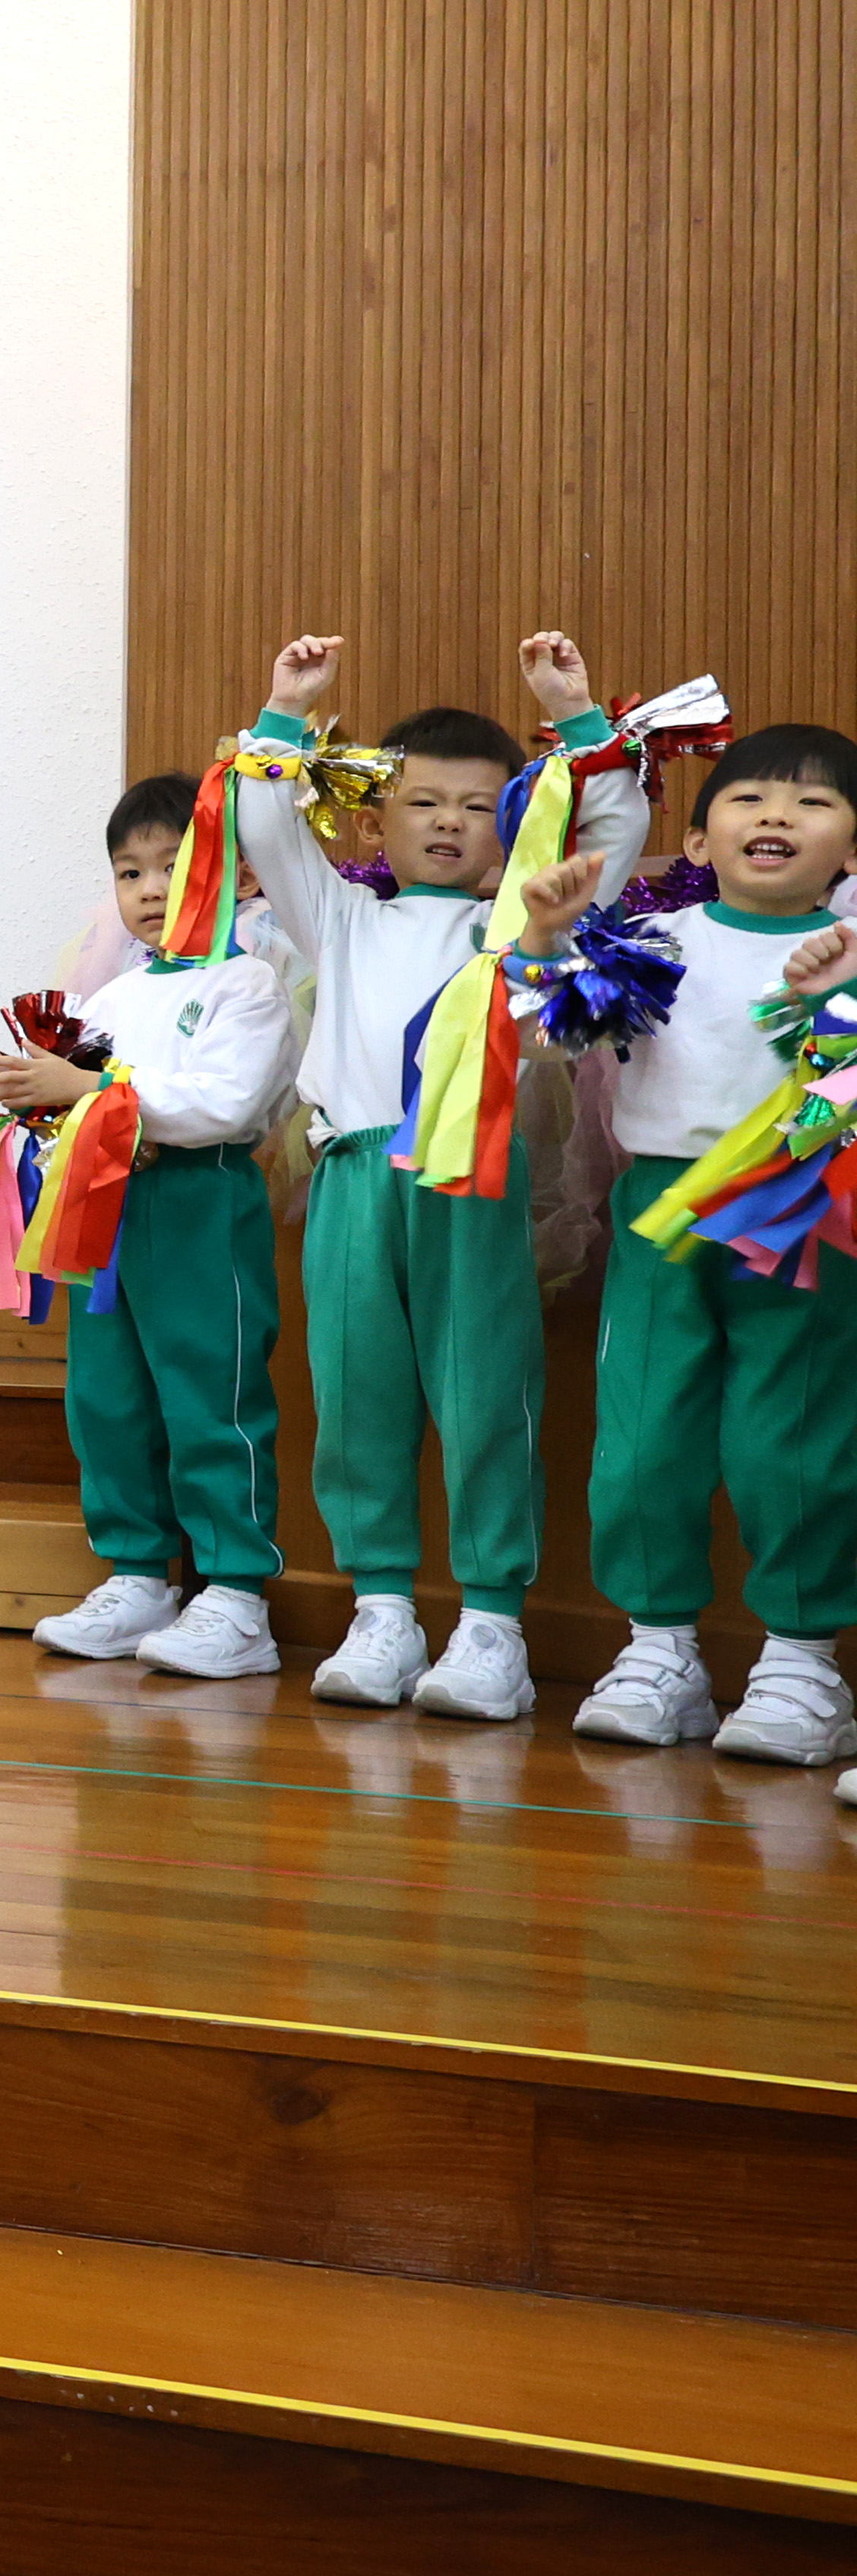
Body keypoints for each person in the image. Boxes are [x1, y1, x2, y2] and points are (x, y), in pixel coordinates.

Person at [236, 634, 642, 1714]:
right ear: (376, 823)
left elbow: (609, 838)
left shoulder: (520, 926)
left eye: (475, 805)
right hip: (354, 1178)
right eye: (422, 803)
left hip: (474, 1178)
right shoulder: (342, 919)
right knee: (355, 1394)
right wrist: (286, 710)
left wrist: (578, 715)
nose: (449, 822)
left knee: (485, 1391)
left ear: (512, 825)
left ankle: (492, 1626)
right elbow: (265, 826)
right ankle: (382, 1612)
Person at [0, 775, 300, 1676]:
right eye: (130, 872)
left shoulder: (249, 985)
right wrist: (10, 1086)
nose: (149, 888)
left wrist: (90, 1090)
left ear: (241, 877)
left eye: (173, 866)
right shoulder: (111, 999)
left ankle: (237, 1595)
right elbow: (69, 1099)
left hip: (198, 1203)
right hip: (103, 1211)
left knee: (210, 1393)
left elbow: (224, 1104)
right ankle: (138, 1574)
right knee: (108, 1397)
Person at [567, 723, 857, 1763]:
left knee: (795, 1432)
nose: (777, 815)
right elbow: (547, 1029)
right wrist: (548, 938)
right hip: (664, 1210)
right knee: (644, 1431)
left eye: (813, 803)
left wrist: (836, 1001)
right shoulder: (657, 941)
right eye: (749, 798)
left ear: (851, 851)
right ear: (696, 839)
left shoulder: (852, 949)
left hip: (806, 1205)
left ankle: (801, 1663)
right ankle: (659, 1651)